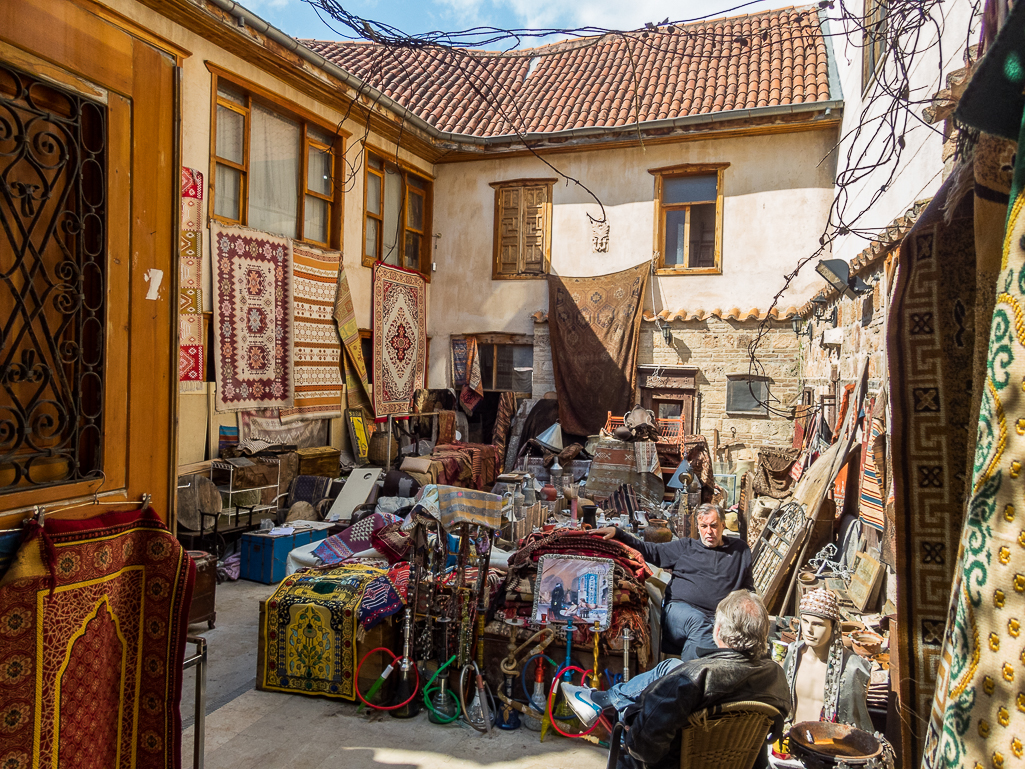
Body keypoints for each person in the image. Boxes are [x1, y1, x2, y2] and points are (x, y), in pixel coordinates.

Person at [563, 590, 791, 769]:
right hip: (742, 762)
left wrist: (632, 716)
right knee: (672, 666)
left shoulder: (690, 679)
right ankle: (604, 698)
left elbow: (644, 748)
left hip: (681, 762)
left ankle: (606, 700)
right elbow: (775, 730)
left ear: (718, 631)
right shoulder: (776, 675)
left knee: (644, 706)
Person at [594, 503, 754, 660]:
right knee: (700, 623)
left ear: (723, 524)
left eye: (714, 525)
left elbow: (748, 589)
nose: (709, 532)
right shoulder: (686, 548)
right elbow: (650, 551)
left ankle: (696, 677)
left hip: (721, 615)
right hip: (680, 611)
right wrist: (619, 533)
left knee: (733, 635)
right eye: (704, 526)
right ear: (698, 527)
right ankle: (692, 679)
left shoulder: (739, 551)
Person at [783, 587, 872, 731]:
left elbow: (856, 720)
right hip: (793, 738)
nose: (809, 630)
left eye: (817, 624)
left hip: (829, 745)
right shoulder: (794, 654)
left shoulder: (852, 667)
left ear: (833, 627)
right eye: (805, 621)